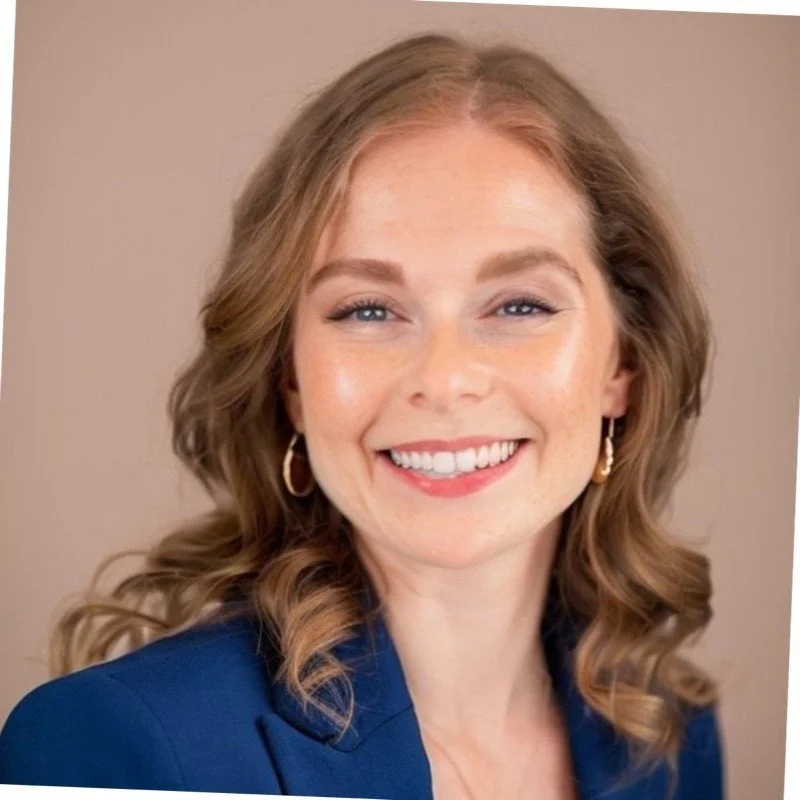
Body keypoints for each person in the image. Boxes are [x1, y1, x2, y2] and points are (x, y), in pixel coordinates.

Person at [0, 32, 724, 800]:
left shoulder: (671, 738)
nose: (444, 380)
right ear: (291, 383)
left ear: (623, 367)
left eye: (519, 304)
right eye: (369, 309)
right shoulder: (124, 746)